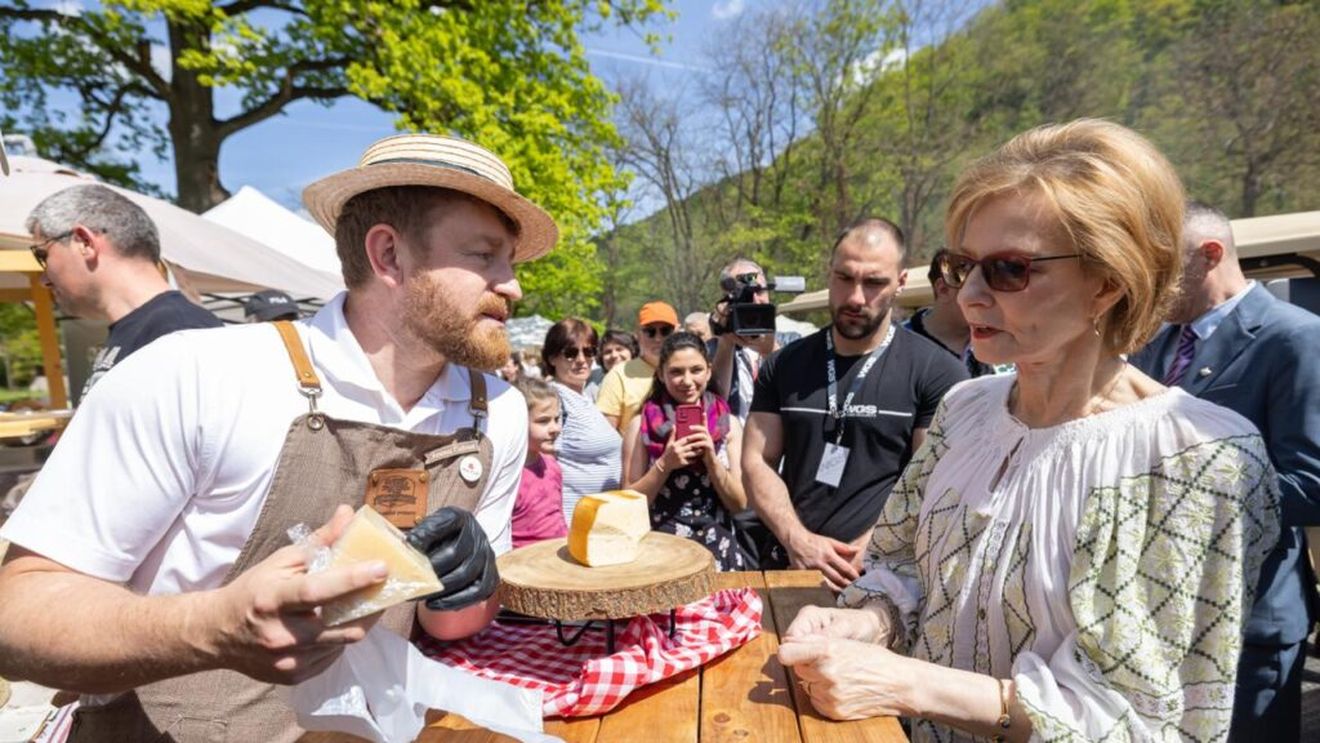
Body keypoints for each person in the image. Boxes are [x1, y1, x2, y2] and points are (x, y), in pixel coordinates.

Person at [0, 132, 557, 741]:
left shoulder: (495, 411)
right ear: (388, 255)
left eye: (510, 262)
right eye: (484, 256)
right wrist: (213, 629)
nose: (513, 286)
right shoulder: (193, 374)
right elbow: (17, 616)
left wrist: (468, 588)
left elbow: (449, 625)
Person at [776, 120, 1280, 742]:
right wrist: (870, 621)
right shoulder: (965, 410)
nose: (968, 296)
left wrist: (906, 684)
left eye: (1008, 270)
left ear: (1109, 280)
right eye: (961, 266)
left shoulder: (1197, 458)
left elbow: (1150, 722)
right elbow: (903, 561)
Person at [1130, 201, 1320, 741]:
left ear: (1209, 255)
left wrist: (1179, 488)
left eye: (1162, 268)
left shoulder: (1294, 337)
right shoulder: (1157, 345)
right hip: (1163, 618)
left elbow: (1311, 483)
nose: (1151, 284)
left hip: (1250, 621)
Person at [742, 218, 967, 588]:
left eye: (874, 282)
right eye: (844, 278)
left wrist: (873, 548)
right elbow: (756, 460)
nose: (855, 298)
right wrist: (797, 539)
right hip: (790, 568)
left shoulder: (938, 372)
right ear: (829, 274)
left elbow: (936, 482)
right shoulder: (784, 365)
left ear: (900, 283)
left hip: (888, 580)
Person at [25, 183, 222, 399]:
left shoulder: (181, 333)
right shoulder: (149, 330)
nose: (43, 280)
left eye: (42, 256)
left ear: (85, 242)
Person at [622, 332, 752, 571]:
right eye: (676, 372)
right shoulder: (640, 426)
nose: (687, 380)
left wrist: (712, 461)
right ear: (660, 374)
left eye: (696, 370)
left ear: (709, 371)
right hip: (660, 555)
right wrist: (665, 464)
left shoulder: (729, 425)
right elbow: (627, 503)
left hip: (717, 553)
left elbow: (740, 504)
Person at [540, 318, 623, 522]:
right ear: (552, 358)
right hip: (574, 522)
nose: (581, 360)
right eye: (570, 353)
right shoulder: (554, 401)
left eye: (588, 351)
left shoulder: (584, 397)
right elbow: (543, 463)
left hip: (602, 520)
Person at [905, 249, 998, 377]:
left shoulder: (1005, 342)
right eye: (977, 290)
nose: (988, 301)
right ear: (943, 290)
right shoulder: (897, 348)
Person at [708, 257, 776, 424]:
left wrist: (770, 349)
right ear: (726, 300)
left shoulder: (790, 340)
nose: (754, 300)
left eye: (759, 291)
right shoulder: (709, 350)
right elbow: (715, 402)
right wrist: (726, 343)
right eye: (744, 294)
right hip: (735, 437)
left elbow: (797, 387)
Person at [596, 301, 678, 433]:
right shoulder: (619, 375)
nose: (658, 338)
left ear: (677, 332)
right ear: (638, 335)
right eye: (650, 332)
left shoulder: (690, 371)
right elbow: (604, 434)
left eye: (665, 331)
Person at [509, 377, 567, 548]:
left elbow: (557, 517)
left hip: (557, 555)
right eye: (543, 421)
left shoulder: (552, 465)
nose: (555, 428)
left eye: (556, 419)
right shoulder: (509, 475)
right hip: (523, 561)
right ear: (516, 421)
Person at [585, 328, 637, 400]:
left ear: (632, 352)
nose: (614, 355)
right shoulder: (593, 378)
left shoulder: (644, 379)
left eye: (619, 349)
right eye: (608, 352)